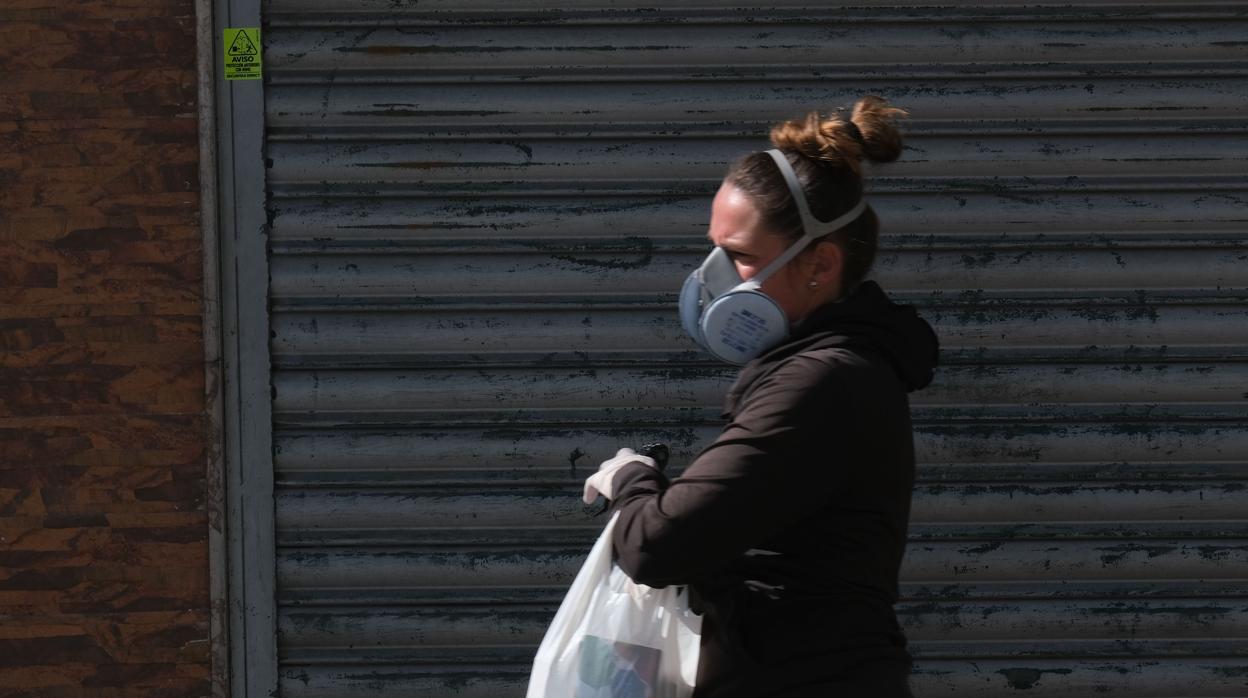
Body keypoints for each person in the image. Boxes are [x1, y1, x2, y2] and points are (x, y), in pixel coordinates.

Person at [582, 96, 939, 697]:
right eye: (715, 250)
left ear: (820, 264)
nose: (712, 278)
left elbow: (657, 544)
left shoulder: (821, 382)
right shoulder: (829, 370)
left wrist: (632, 478)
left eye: (742, 257)